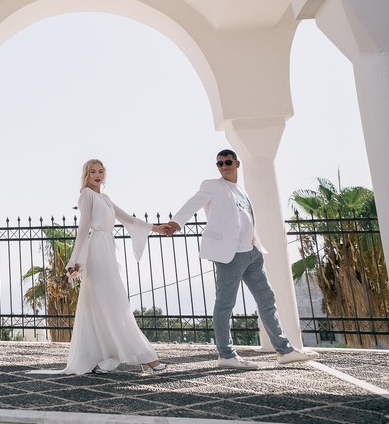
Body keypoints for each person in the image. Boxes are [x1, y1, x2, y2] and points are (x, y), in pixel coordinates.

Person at [163, 149, 320, 369]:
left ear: (237, 164)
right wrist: (176, 223)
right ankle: (226, 355)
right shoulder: (212, 185)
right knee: (225, 303)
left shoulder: (241, 191)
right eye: (219, 164)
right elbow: (193, 203)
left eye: (227, 162)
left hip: (253, 252)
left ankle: (284, 351)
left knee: (267, 300)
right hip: (230, 254)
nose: (223, 166)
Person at [58, 158, 170, 375]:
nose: (97, 175)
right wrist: (74, 261)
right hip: (97, 251)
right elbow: (83, 230)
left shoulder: (105, 198)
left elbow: (128, 219)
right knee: (115, 304)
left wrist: (157, 228)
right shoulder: (86, 195)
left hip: (107, 248)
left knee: (106, 304)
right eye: (93, 171)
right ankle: (149, 359)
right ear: (86, 175)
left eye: (100, 171)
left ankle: (105, 360)